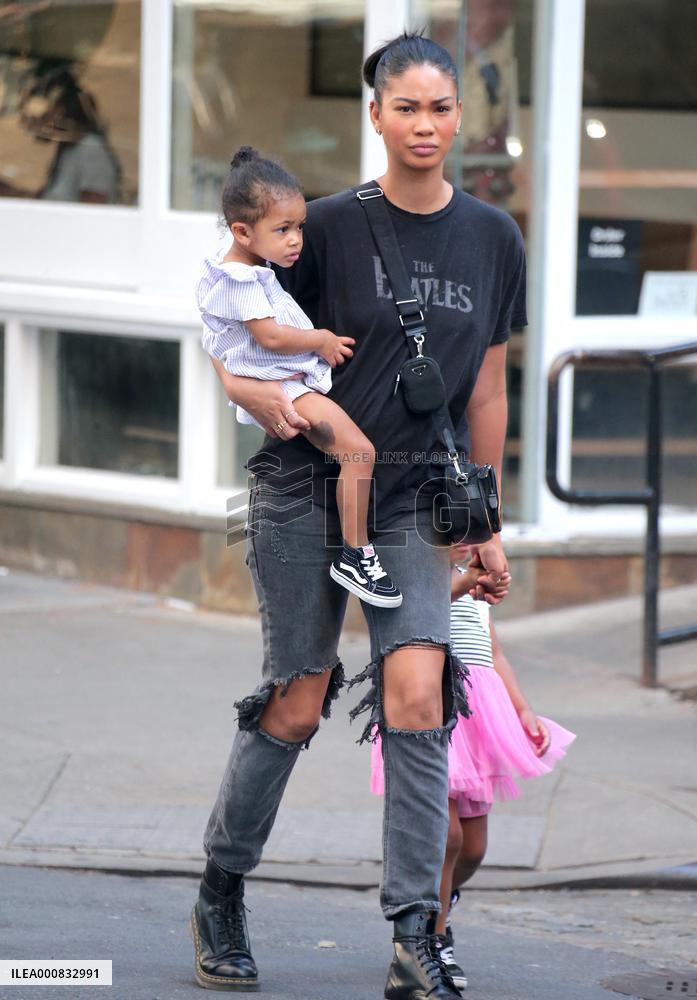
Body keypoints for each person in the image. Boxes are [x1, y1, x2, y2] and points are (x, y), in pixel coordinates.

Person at [191, 31, 526, 1000]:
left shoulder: (492, 238)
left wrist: (483, 518)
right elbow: (233, 330)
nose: (425, 124)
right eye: (405, 106)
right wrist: (253, 393)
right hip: (307, 486)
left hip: (417, 499)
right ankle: (221, 888)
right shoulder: (325, 227)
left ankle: (415, 931)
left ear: (459, 116)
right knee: (297, 699)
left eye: (440, 108)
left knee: (419, 689)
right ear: (375, 114)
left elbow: (488, 388)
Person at [197, 145, 402, 608]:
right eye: (283, 230)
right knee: (359, 452)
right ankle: (357, 553)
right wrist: (320, 340)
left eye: (300, 227)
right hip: (286, 387)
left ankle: (355, 548)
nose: (296, 241)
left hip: (284, 382)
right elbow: (269, 337)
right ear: (242, 231)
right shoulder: (241, 280)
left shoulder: (240, 268)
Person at [370, 548, 576, 990]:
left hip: (480, 718)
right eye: (454, 531)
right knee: (448, 836)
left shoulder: (475, 583)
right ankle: (432, 936)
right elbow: (420, 608)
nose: (465, 541)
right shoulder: (422, 573)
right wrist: (467, 581)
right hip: (434, 709)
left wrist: (522, 709)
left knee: (474, 848)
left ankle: (442, 902)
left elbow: (494, 653)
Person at [0, 63, 120, 204]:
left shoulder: (92, 152)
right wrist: (14, 193)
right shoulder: (70, 150)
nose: (29, 122)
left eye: (41, 116)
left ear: (60, 111)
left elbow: (92, 209)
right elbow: (55, 199)